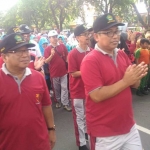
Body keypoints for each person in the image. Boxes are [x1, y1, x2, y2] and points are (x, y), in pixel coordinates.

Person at [80, 13, 148, 150]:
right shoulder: (90, 61)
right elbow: (96, 95)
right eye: (109, 32)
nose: (115, 36)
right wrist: (126, 81)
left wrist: (137, 77)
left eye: (116, 31)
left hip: (129, 127)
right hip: (105, 133)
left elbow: (134, 85)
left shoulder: (122, 55)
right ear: (96, 36)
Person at [0, 33, 56, 150]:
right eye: (18, 52)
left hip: (40, 143)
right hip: (8, 144)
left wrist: (51, 129)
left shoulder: (38, 77)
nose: (25, 55)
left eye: (26, 51)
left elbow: (46, 106)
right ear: (4, 57)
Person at [68, 25, 92, 150]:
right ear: (77, 38)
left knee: (88, 115)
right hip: (77, 90)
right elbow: (73, 73)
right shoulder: (73, 54)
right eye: (84, 34)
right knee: (79, 117)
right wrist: (88, 70)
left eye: (88, 33)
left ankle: (87, 134)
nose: (88, 36)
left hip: (90, 90)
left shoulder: (92, 51)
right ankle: (81, 143)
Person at [44, 30, 72, 112]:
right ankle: (58, 101)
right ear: (49, 38)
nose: (54, 39)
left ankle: (65, 103)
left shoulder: (62, 46)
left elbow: (67, 57)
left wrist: (70, 65)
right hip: (54, 72)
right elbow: (46, 61)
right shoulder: (47, 49)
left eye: (55, 36)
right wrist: (52, 54)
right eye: (52, 37)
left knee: (64, 88)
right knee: (56, 89)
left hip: (63, 71)